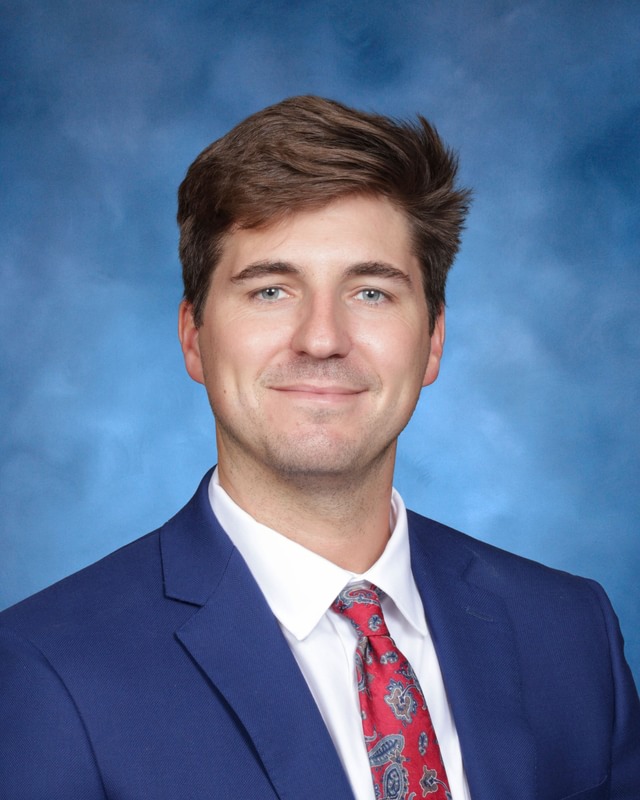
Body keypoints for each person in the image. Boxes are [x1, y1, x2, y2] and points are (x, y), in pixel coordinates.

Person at [1, 96, 638, 800]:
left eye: (370, 292)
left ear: (432, 340)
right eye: (271, 290)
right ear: (193, 337)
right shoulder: (46, 669)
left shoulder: (570, 633)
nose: (322, 338)